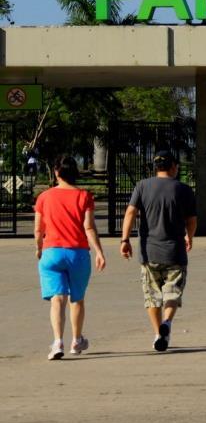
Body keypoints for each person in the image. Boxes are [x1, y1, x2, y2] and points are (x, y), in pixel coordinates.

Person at [120, 150, 197, 352]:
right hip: (175, 252)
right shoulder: (183, 189)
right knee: (172, 293)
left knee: (152, 296)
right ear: (173, 166)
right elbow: (192, 220)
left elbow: (130, 212)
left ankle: (157, 333)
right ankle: (167, 324)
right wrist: (189, 235)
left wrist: (124, 239)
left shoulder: (142, 186)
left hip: (149, 251)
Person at [34, 155, 106, 360]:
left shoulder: (44, 197)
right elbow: (89, 227)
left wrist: (39, 248)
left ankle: (57, 342)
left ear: (56, 172)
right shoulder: (84, 196)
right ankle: (76, 339)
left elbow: (39, 230)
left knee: (57, 299)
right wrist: (99, 252)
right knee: (77, 298)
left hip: (51, 252)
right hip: (77, 253)